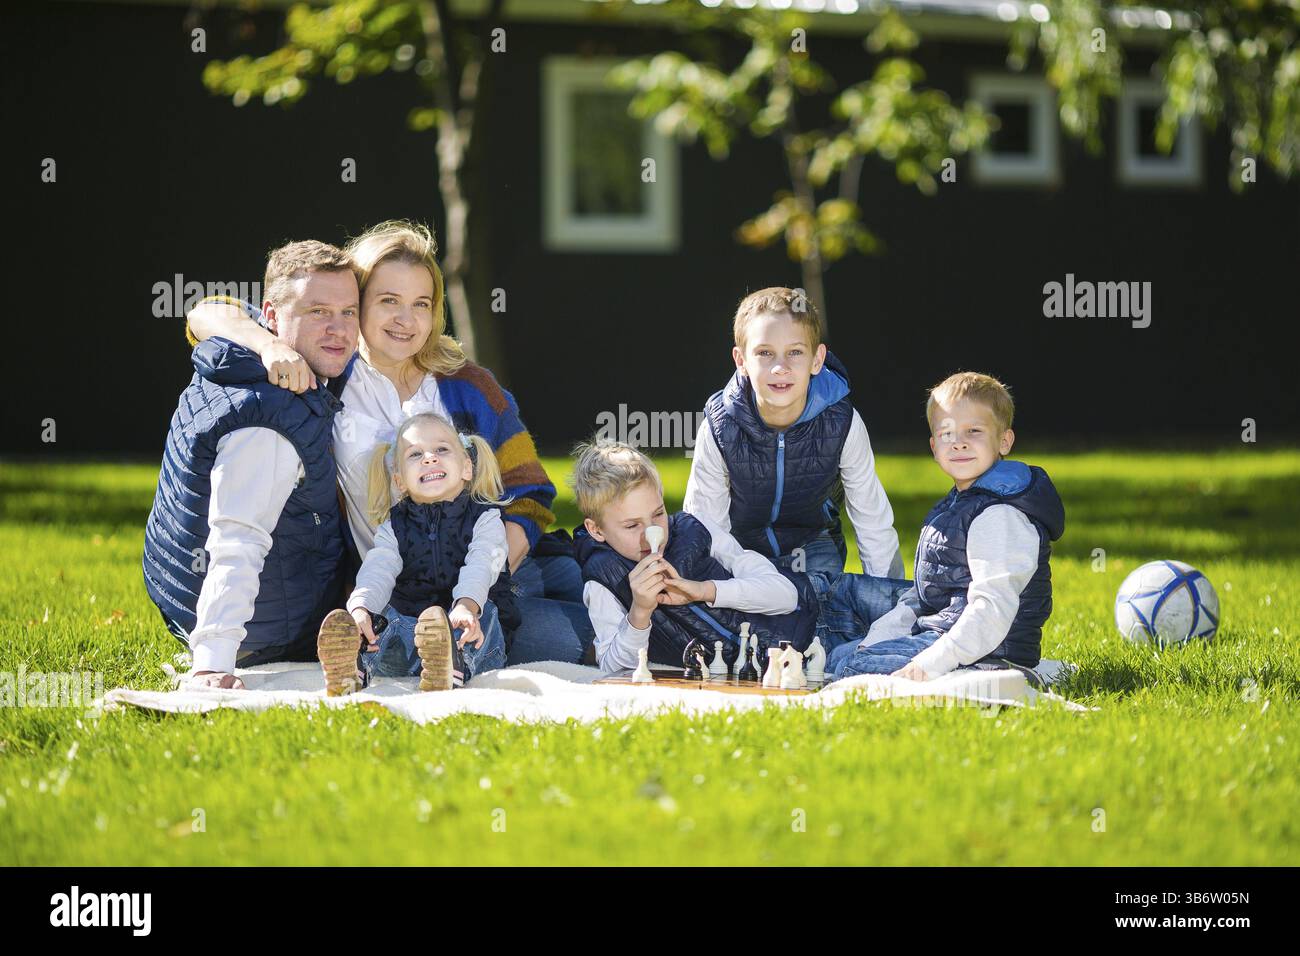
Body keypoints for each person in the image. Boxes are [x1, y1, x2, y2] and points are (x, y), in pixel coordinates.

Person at [186, 221, 593, 665]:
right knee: (591, 641)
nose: (406, 319)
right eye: (388, 301)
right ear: (356, 304)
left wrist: (479, 587)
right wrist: (267, 346)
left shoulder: (467, 385)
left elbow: (530, 492)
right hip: (398, 594)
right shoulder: (329, 376)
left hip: (499, 577)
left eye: (421, 303)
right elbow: (206, 313)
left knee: (614, 607)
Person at [142, 241, 360, 689]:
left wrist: (264, 342)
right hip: (267, 630)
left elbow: (207, 309)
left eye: (349, 312)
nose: (338, 330)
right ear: (274, 316)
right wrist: (213, 662)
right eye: (318, 312)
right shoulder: (269, 418)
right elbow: (236, 539)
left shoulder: (249, 347)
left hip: (197, 595)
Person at [827, 372, 1065, 682]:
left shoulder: (999, 515)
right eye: (947, 433)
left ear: (1004, 441)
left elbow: (992, 610)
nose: (959, 443)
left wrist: (930, 665)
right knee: (841, 657)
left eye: (974, 431)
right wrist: (876, 640)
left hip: (990, 654)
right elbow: (926, 598)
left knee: (848, 669)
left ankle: (1013, 677)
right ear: (933, 445)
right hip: (945, 636)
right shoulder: (957, 505)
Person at [684, 286, 903, 579]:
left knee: (819, 615)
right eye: (764, 353)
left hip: (812, 544)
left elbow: (870, 516)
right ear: (741, 360)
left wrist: (888, 594)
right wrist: (733, 582)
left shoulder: (841, 421)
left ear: (817, 359)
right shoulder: (720, 425)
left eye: (795, 352)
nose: (780, 367)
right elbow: (706, 522)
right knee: (745, 616)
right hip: (741, 547)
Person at [569, 439, 820, 675]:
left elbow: (786, 596)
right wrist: (639, 612)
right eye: (632, 526)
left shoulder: (697, 529)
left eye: (658, 514)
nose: (652, 533)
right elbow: (612, 669)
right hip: (783, 662)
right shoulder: (602, 581)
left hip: (819, 608)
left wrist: (703, 590)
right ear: (596, 529)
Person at [317, 412, 514, 695]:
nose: (429, 458)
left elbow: (482, 564)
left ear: (466, 468)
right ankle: (355, 667)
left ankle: (454, 665)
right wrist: (361, 608)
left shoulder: (486, 519)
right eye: (415, 454)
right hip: (414, 633)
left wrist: (466, 606)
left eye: (442, 450)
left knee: (487, 616)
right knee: (386, 620)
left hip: (470, 627)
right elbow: (378, 570)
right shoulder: (394, 527)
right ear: (400, 482)